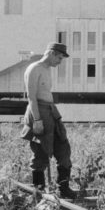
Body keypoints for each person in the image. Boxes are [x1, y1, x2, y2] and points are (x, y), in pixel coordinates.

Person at [20, 42, 76, 199]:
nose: (60, 62)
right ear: (51, 53)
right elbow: (31, 97)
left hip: (51, 111)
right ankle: (39, 192)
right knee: (41, 152)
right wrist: (37, 120)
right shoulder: (34, 68)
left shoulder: (46, 69)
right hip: (38, 111)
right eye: (59, 57)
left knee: (63, 147)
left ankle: (63, 188)